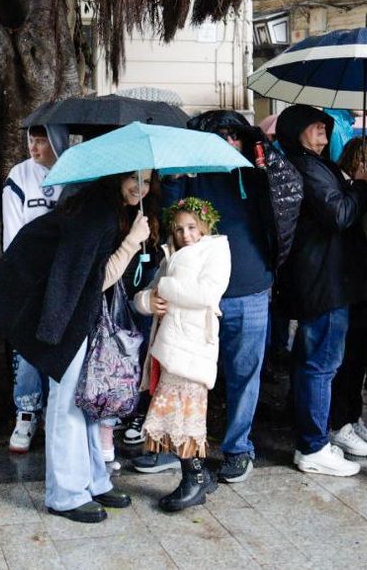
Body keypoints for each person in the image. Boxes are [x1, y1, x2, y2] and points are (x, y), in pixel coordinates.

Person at [0, 171, 155, 523]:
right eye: (134, 177)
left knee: (84, 399)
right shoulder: (96, 211)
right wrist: (133, 241)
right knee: (68, 400)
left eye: (147, 181)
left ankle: (92, 481)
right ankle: (65, 494)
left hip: (71, 308)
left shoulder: (109, 206)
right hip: (58, 309)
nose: (140, 187)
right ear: (116, 176)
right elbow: (93, 278)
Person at [145, 110, 295, 484]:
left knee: (245, 374)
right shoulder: (191, 175)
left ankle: (238, 448)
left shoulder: (257, 171)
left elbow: (283, 210)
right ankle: (179, 446)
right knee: (186, 374)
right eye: (220, 136)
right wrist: (176, 178)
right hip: (198, 296)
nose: (230, 142)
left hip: (250, 291)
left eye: (235, 135)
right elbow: (171, 218)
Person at [274, 105, 367, 477]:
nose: (322, 128)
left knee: (313, 362)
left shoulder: (317, 164)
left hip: (326, 278)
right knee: (320, 364)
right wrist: (362, 185)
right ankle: (313, 446)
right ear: (296, 130)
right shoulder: (306, 167)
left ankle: (318, 436)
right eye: (314, 124)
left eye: (324, 124)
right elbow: (340, 214)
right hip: (324, 281)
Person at [133, 198, 231, 511]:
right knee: (176, 413)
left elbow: (206, 294)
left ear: (205, 225)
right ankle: (199, 476)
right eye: (179, 229)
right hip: (166, 345)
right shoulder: (170, 255)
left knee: (183, 414)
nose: (186, 234)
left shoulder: (216, 251)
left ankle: (195, 477)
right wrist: (149, 300)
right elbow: (147, 292)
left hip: (191, 347)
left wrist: (166, 288)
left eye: (191, 227)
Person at [328, 135, 367, 459]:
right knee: (349, 361)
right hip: (355, 290)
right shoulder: (356, 194)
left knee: (360, 360)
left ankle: (353, 418)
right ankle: (341, 422)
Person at [3, 124, 64, 453]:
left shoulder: (73, 172)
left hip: (64, 279)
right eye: (31, 139)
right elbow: (13, 236)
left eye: (42, 140)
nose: (35, 147)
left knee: (59, 348)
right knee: (27, 349)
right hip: (30, 277)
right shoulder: (20, 176)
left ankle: (57, 412)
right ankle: (26, 412)